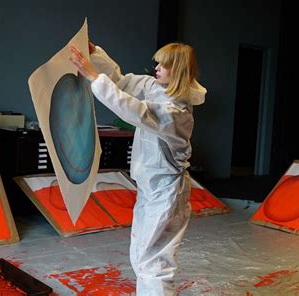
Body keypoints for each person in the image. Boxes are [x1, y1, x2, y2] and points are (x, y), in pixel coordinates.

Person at [69, 41, 206, 295]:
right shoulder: (155, 88)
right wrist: (96, 53)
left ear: (178, 71)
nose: (157, 68)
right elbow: (121, 82)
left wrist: (93, 77)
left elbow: (137, 111)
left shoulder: (176, 110)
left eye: (165, 65)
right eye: (157, 62)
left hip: (166, 192)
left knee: (153, 262)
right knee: (143, 256)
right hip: (152, 189)